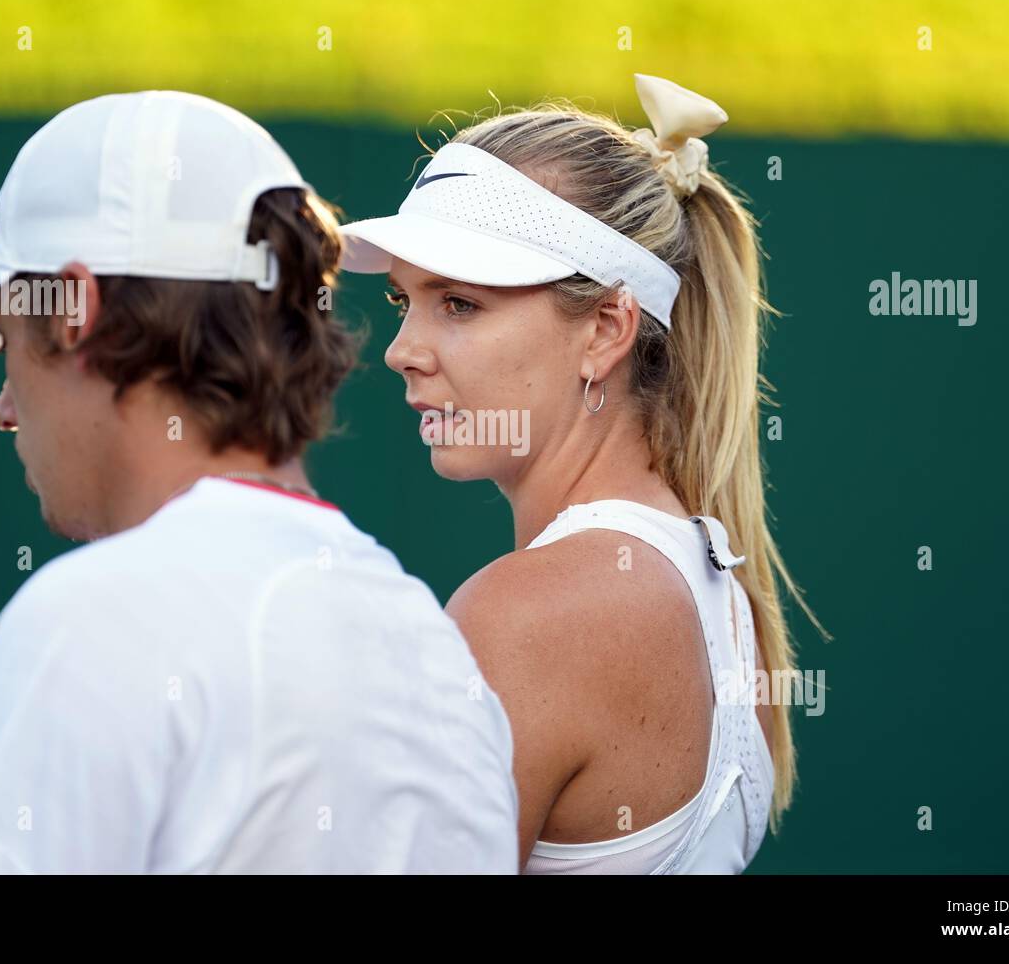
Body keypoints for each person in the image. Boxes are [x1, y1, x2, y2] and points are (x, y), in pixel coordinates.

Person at [0, 90, 519, 873]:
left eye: (9, 341)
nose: (4, 408)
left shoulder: (91, 620)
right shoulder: (445, 666)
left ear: (74, 311)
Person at [338, 74, 825, 873]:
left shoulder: (527, 613)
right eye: (403, 302)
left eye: (459, 304)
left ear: (606, 329)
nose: (403, 351)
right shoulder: (727, 597)